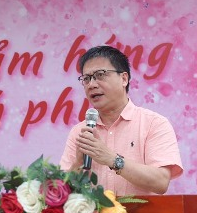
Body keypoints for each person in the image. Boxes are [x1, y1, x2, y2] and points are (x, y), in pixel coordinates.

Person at [59, 45, 183, 196]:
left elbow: (161, 182)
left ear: (124, 79)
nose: (92, 84)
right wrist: (78, 164)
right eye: (86, 79)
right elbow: (61, 193)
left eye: (100, 75)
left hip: (141, 212)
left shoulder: (154, 123)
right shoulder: (80, 132)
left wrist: (112, 159)